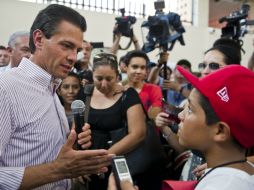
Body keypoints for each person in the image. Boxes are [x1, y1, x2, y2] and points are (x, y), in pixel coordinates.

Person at [0, 4, 113, 190]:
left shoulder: (51, 87)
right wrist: (58, 170)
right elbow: (58, 168)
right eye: (66, 46)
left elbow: (46, 154)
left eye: (76, 49)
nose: (73, 57)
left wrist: (72, 146)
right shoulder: (5, 89)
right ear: (38, 39)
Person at [109, 65, 254, 190]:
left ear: (220, 131)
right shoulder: (240, 171)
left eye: (190, 109)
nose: (180, 116)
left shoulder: (224, 186)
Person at [86, 52, 146, 190]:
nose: (104, 84)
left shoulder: (127, 95)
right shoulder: (86, 93)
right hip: (88, 167)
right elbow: (75, 130)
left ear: (117, 76)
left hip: (120, 165)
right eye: (99, 78)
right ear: (92, 74)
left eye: (109, 79)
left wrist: (103, 158)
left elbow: (138, 134)